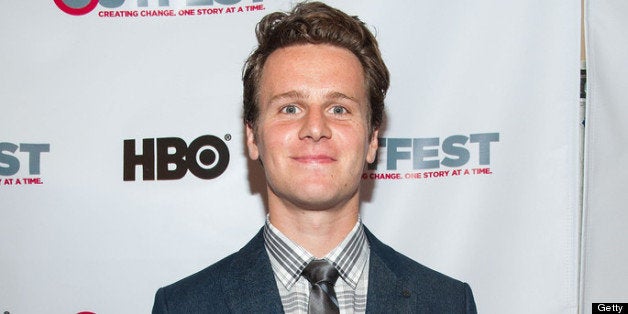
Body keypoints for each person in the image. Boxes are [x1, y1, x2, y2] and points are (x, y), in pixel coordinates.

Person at [152, 2, 477, 313]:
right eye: (290, 108)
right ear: (252, 137)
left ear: (372, 139)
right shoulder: (183, 305)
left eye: (339, 109)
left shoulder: (447, 303)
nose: (315, 128)